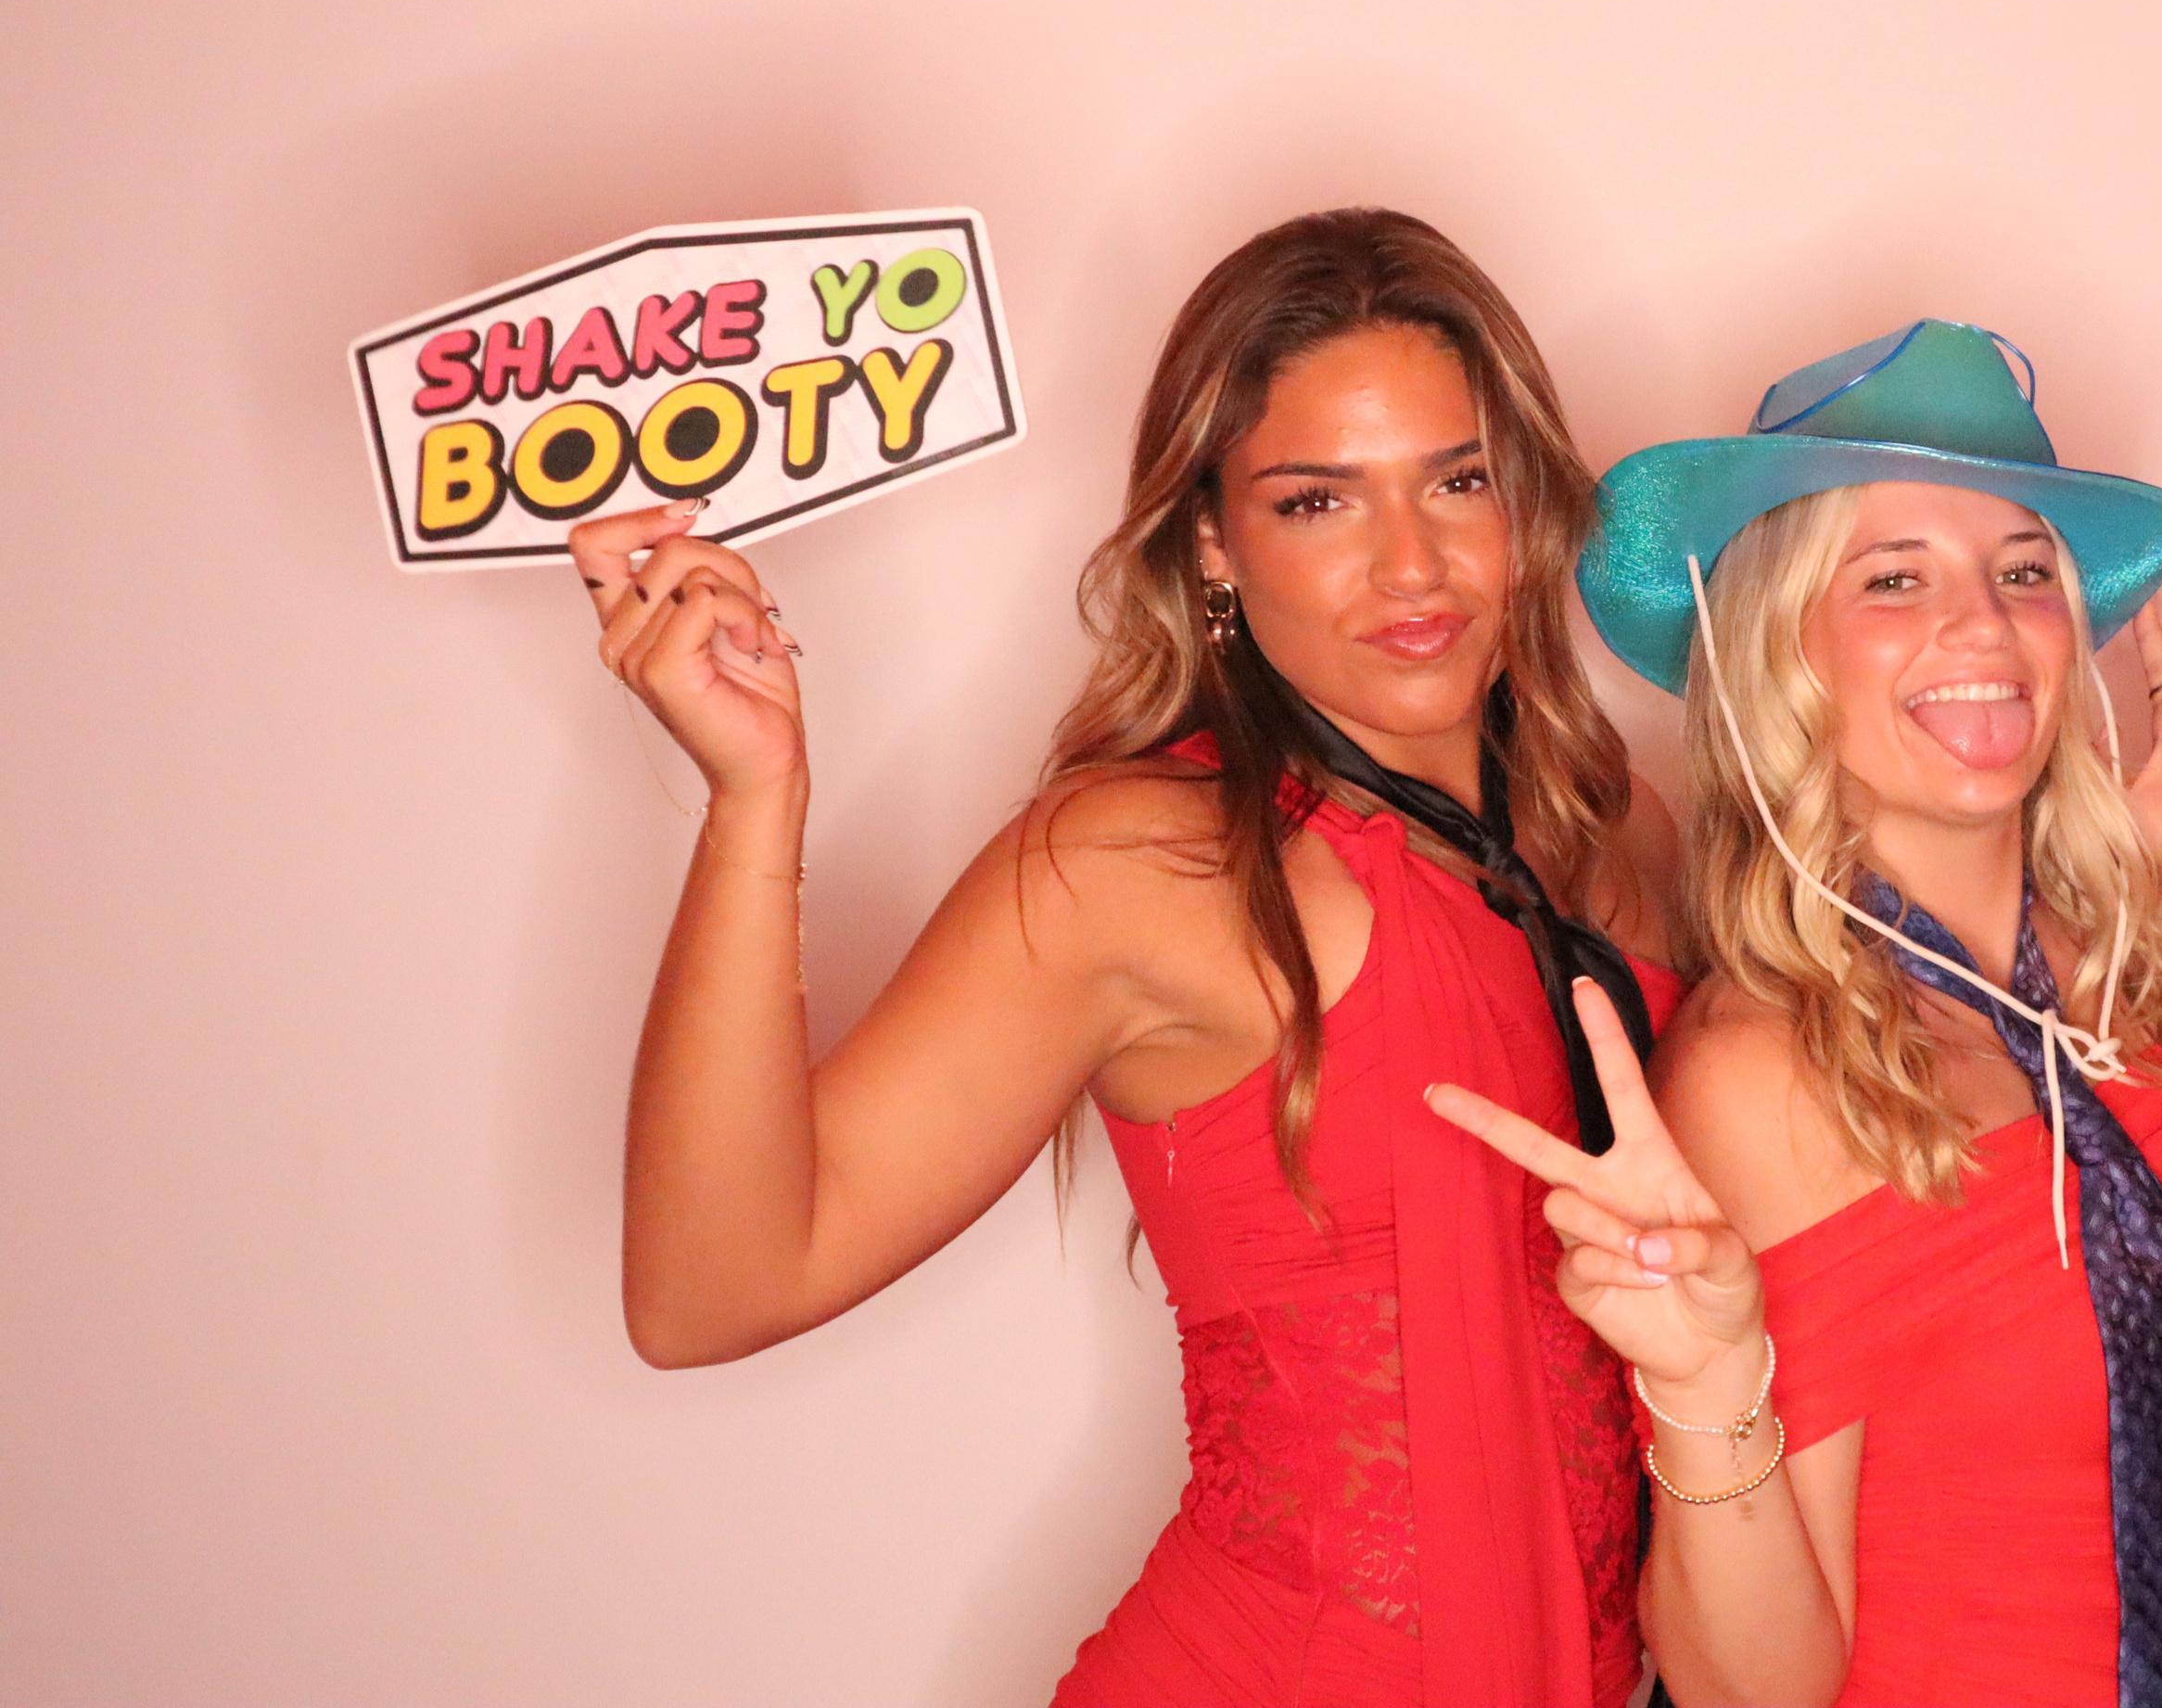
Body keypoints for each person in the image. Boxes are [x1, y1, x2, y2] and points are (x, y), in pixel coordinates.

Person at [578, 209, 1684, 1707]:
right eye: (1319, 501)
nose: (1412, 564)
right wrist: (754, 794)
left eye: (1459, 480)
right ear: (1214, 545)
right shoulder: (1141, 863)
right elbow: (709, 1292)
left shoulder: (1618, 837)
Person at [1430, 318, 2162, 1706]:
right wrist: (1708, 1388)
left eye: (2022, 572)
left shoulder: (2136, 978)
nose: (1984, 622)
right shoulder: (1765, 1073)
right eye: (1894, 579)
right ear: (1781, 655)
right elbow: (1753, 1696)